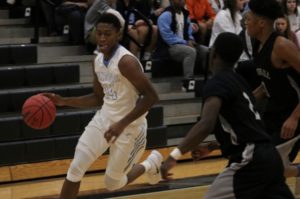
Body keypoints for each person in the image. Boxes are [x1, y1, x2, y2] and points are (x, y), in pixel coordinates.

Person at [160, 32, 294, 199]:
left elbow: (206, 124)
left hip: (250, 160)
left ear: (214, 53)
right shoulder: (239, 81)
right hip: (269, 156)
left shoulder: (216, 82)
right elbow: (245, 126)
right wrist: (212, 147)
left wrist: (174, 156)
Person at [44, 13, 162, 199]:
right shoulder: (98, 60)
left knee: (112, 183)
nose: (102, 38)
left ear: (118, 34)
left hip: (130, 129)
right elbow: (98, 98)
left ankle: (151, 163)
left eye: (107, 34)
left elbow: (151, 97)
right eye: (99, 33)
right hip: (104, 120)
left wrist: (121, 124)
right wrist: (64, 101)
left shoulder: (126, 62)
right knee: (75, 168)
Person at [246, 0, 300, 178]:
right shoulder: (258, 44)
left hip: (294, 115)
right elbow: (268, 81)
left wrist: (294, 118)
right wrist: (248, 99)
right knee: (259, 164)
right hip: (275, 111)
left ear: (261, 23)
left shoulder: (281, 45)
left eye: (249, 18)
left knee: (270, 168)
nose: (245, 22)